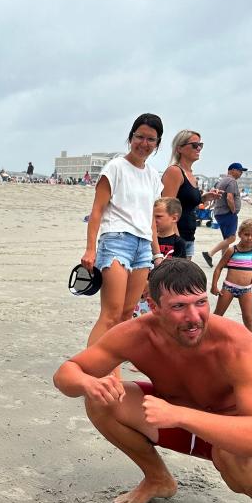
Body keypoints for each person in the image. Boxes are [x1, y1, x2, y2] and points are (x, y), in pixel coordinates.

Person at [53, 259, 252, 503]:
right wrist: (87, 383)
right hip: (169, 416)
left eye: (200, 303)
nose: (194, 318)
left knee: (244, 460)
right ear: (153, 305)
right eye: (179, 307)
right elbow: (65, 374)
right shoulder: (136, 333)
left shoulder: (235, 344)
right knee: (100, 401)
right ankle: (158, 479)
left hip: (228, 437)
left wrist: (180, 416)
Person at [81, 113, 165, 352]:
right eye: (140, 137)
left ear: (157, 144)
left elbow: (149, 217)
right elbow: (97, 211)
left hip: (143, 247)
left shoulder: (152, 175)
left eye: (151, 139)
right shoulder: (115, 167)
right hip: (116, 241)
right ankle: (90, 369)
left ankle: (112, 371)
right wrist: (90, 248)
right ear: (131, 138)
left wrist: (156, 254)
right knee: (111, 314)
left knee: (127, 315)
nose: (144, 143)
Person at [161, 130, 221, 259]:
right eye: (194, 145)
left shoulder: (191, 175)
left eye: (201, 145)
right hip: (175, 237)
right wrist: (176, 240)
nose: (199, 148)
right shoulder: (175, 171)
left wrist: (204, 198)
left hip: (189, 237)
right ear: (180, 148)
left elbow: (185, 204)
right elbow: (166, 208)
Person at [210, 219, 252, 334]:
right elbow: (219, 268)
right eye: (246, 234)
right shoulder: (232, 250)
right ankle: (208, 336)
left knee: (248, 318)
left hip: (246, 290)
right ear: (240, 234)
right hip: (228, 288)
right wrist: (214, 286)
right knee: (218, 315)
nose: (249, 238)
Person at [202, 163, 246, 267]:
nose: (241, 173)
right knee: (231, 238)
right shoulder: (231, 181)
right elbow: (229, 198)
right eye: (239, 171)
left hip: (219, 212)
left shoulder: (222, 181)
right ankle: (209, 253)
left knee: (226, 238)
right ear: (232, 170)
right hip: (227, 213)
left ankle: (224, 261)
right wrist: (233, 211)